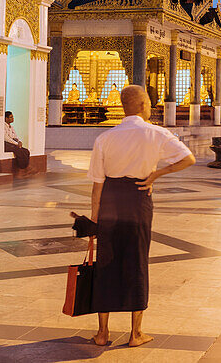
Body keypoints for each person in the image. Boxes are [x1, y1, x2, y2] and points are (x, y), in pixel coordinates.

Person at [86, 84, 195, 347]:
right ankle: (135, 334)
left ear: (124, 106)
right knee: (137, 261)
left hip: (110, 200)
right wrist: (157, 174)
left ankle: (103, 333)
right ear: (144, 105)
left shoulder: (105, 138)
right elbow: (187, 159)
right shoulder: (156, 133)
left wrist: (94, 225)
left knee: (106, 262)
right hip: (138, 198)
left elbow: (96, 187)